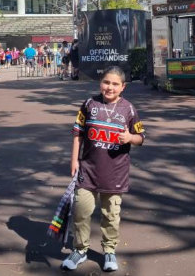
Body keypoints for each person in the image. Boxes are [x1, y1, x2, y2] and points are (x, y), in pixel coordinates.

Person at [62, 66, 145, 272]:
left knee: (111, 215)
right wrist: (74, 160)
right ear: (101, 83)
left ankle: (109, 250)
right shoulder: (89, 104)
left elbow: (141, 137)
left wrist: (130, 138)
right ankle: (80, 250)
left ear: (123, 87)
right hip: (87, 170)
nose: (110, 87)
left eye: (115, 84)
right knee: (81, 211)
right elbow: (78, 134)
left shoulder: (129, 109)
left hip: (115, 174)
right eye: (106, 82)